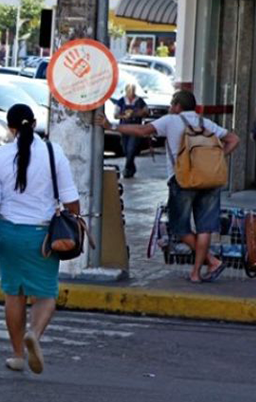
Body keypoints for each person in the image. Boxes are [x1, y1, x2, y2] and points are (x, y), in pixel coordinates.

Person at [0, 104, 79, 375]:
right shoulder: (54, 153)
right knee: (45, 294)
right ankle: (35, 333)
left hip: (7, 234)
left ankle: (18, 354)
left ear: (11, 128)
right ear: (33, 122)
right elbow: (71, 200)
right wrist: (73, 219)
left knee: (13, 294)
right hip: (42, 237)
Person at [97, 90, 240, 284]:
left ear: (178, 106)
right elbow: (234, 139)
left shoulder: (171, 121)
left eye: (173, 104)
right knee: (205, 227)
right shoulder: (205, 123)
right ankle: (197, 272)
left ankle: (211, 261)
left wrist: (111, 126)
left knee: (178, 227)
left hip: (182, 180)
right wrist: (217, 159)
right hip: (210, 180)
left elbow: (142, 131)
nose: (171, 108)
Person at [114, 83, 148, 178]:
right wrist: (124, 116)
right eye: (129, 90)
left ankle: (127, 168)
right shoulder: (121, 101)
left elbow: (146, 112)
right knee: (125, 149)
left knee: (131, 148)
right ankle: (132, 167)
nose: (131, 93)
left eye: (133, 90)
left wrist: (137, 114)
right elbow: (115, 115)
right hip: (124, 128)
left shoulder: (140, 101)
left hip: (135, 128)